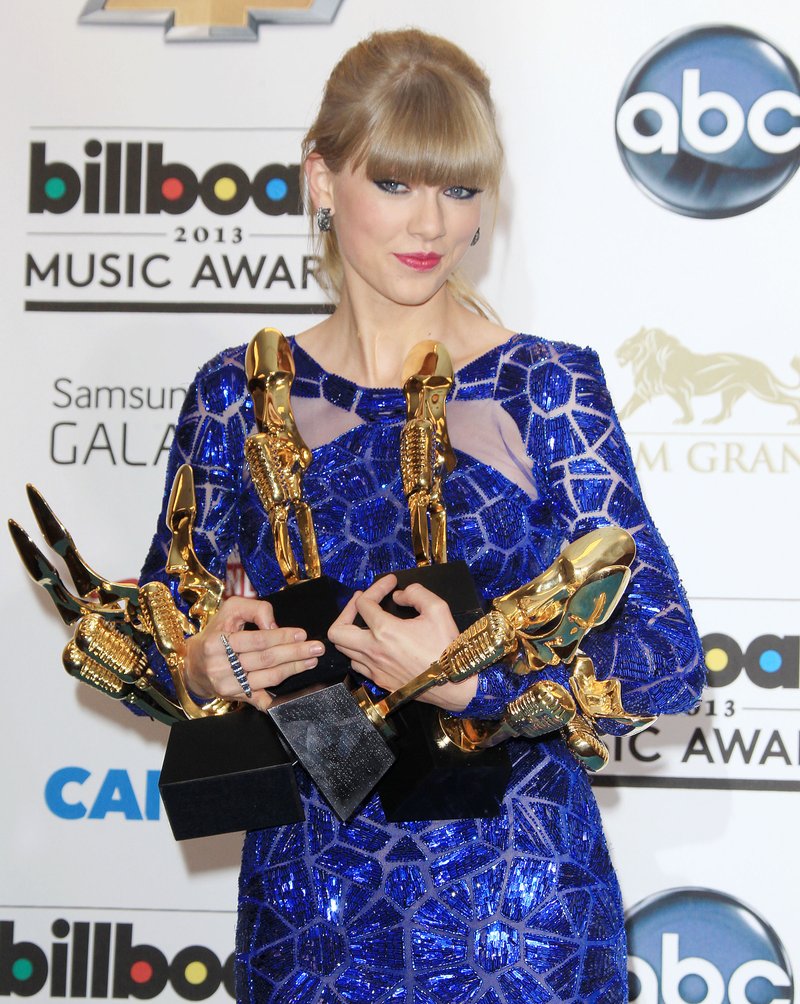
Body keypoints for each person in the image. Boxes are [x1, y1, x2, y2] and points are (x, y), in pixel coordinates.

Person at [140, 28, 704, 1004]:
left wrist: (476, 676)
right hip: (309, 909)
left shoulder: (541, 386)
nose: (430, 222)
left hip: (521, 911)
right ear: (321, 177)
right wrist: (201, 661)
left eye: (458, 188)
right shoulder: (235, 393)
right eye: (395, 183)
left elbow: (662, 652)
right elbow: (154, 624)